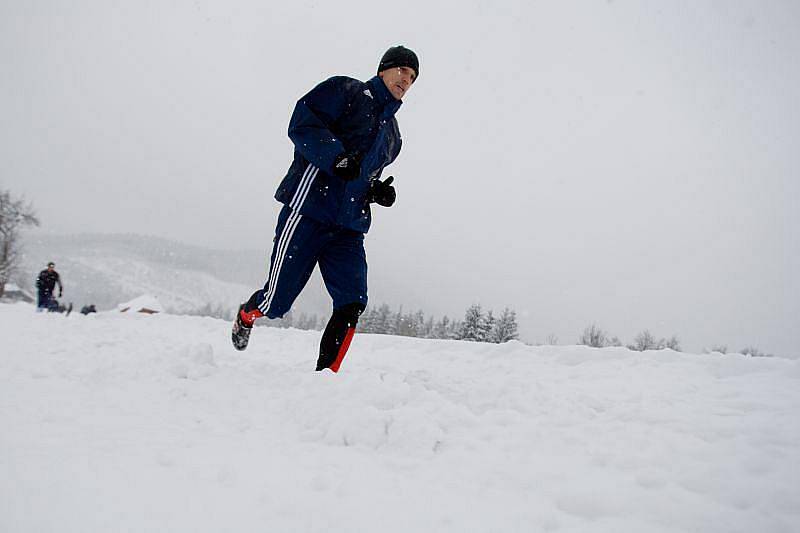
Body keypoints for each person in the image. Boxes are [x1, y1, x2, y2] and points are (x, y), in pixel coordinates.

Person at [231, 45, 419, 373]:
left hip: (348, 227)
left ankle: (324, 381)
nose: (407, 80)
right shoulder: (345, 91)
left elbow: (362, 175)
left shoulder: (394, 137)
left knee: (352, 301)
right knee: (276, 303)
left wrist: (376, 191)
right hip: (309, 210)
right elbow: (303, 124)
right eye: (402, 70)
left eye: (413, 77)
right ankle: (247, 314)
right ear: (383, 69)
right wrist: (335, 157)